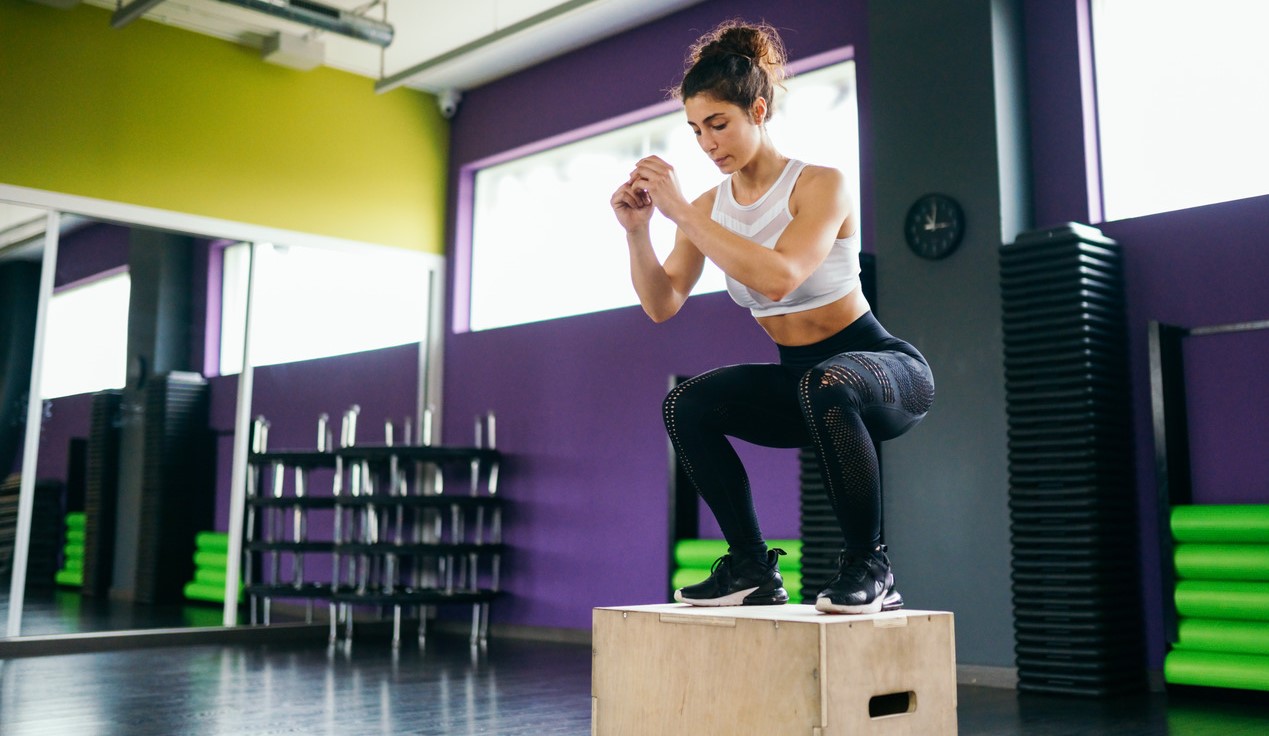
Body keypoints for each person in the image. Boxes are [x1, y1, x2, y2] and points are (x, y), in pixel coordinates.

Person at [609, 19, 934, 615]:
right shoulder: (709, 208)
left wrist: (682, 212)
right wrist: (639, 234)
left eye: (719, 124)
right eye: (696, 130)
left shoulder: (820, 185)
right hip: (802, 384)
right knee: (686, 404)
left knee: (826, 381)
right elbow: (662, 303)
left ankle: (872, 565)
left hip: (883, 371)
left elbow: (781, 276)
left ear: (758, 110)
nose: (708, 144)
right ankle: (753, 567)